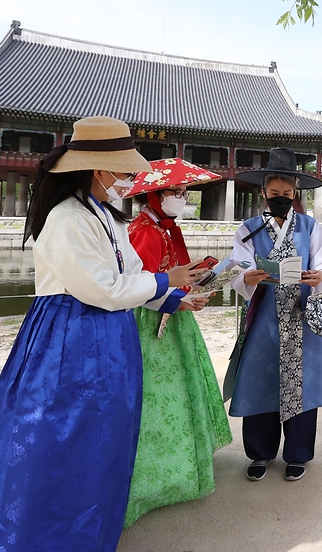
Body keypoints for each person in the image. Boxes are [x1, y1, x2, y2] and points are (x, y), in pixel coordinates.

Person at [0, 116, 205, 552]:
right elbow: (102, 288)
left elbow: (129, 277)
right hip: (69, 338)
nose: (129, 180)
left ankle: (89, 534)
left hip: (109, 337)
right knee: (59, 437)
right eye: (125, 172)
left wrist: (169, 297)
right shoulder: (67, 218)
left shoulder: (105, 217)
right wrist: (166, 281)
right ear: (99, 168)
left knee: (101, 437)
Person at [122, 158, 233, 526]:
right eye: (176, 192)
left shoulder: (169, 228)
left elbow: (176, 273)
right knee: (157, 396)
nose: (182, 198)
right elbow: (139, 286)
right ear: (154, 195)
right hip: (151, 320)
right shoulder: (144, 230)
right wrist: (179, 298)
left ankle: (178, 466)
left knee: (177, 394)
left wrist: (201, 279)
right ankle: (153, 477)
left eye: (185, 192)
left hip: (175, 314)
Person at [224, 148, 322, 482]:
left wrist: (321, 276)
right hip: (264, 319)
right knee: (261, 383)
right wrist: (247, 276)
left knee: (301, 386)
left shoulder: (311, 227)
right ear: (263, 193)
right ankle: (260, 453)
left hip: (301, 317)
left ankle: (298, 453)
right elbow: (236, 265)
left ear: (295, 194)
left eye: (287, 194)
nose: (280, 199)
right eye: (274, 194)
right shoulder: (248, 229)